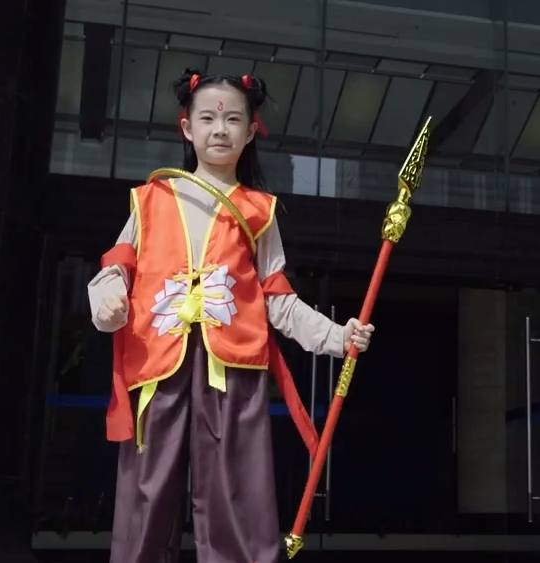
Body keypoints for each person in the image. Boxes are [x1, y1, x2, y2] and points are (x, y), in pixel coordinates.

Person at [87, 68, 375, 563]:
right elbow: (118, 266)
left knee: (236, 495)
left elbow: (277, 298)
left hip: (233, 370)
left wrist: (335, 335)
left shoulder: (259, 211)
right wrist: (107, 300)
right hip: (157, 363)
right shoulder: (151, 199)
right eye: (207, 118)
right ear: (187, 128)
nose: (219, 129)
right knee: (146, 494)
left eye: (232, 120)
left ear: (250, 132)